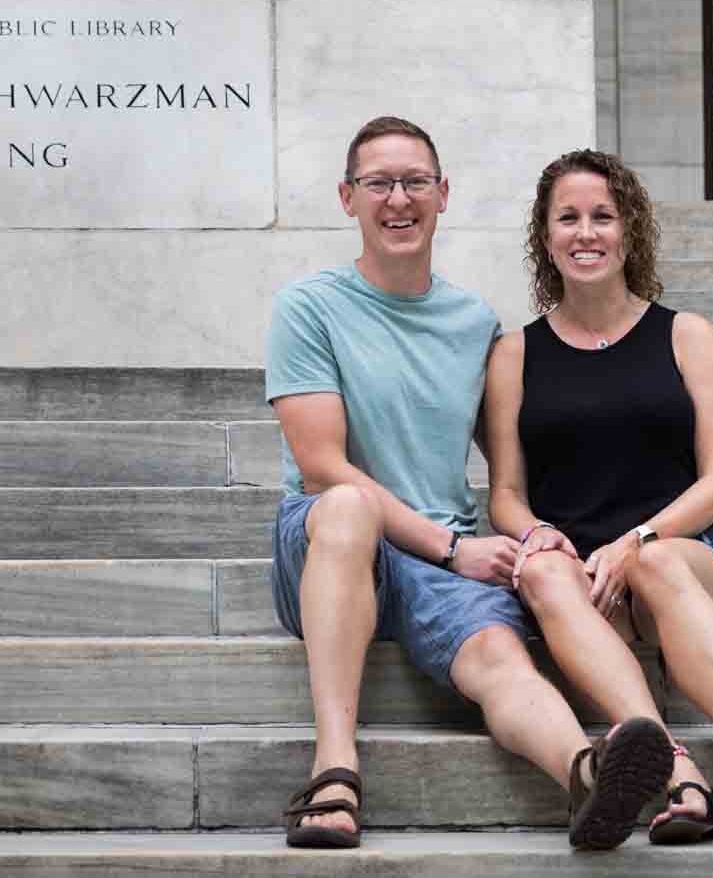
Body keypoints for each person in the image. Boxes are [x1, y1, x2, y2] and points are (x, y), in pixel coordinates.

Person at [266, 117, 676, 851]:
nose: (399, 198)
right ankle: (334, 767)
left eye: (416, 181)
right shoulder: (309, 307)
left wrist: (555, 536)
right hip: (331, 541)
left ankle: (584, 772)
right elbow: (323, 462)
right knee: (351, 503)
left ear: (444, 194)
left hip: (438, 557)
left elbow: (522, 462)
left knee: (500, 659)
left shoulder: (474, 322)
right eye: (379, 182)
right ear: (347, 197)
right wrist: (455, 548)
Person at [481, 148, 713, 850]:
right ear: (545, 238)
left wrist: (636, 540)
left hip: (682, 560)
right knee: (539, 567)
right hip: (580, 585)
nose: (586, 232)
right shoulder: (515, 353)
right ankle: (682, 774)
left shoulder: (686, 334)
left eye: (602, 216)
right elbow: (506, 493)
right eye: (567, 218)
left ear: (628, 229)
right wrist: (544, 534)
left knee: (657, 563)